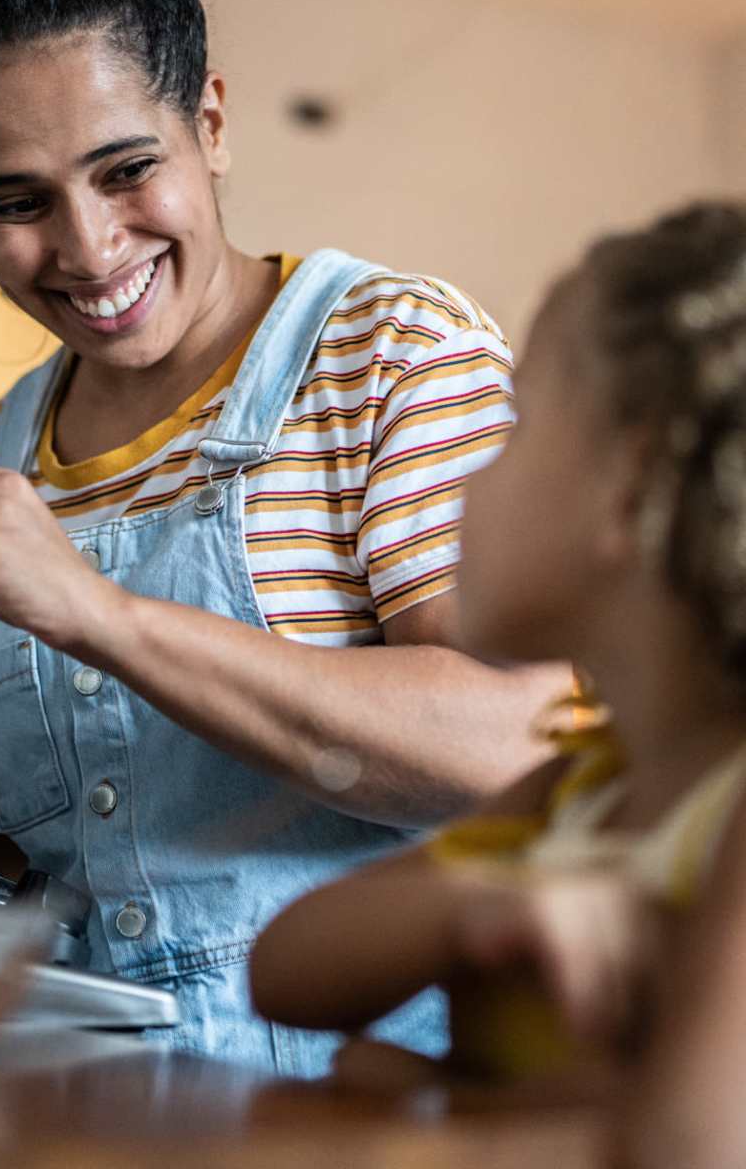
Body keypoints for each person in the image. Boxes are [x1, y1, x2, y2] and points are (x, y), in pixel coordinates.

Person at [0, 0, 563, 1073]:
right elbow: (40, 847)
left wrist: (95, 608)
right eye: (16, 202)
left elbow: (514, 739)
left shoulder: (389, 353)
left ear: (209, 122)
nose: (90, 250)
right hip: (82, 1110)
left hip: (351, 1122)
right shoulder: (4, 442)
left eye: (125, 167)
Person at [251, 201, 746, 1162]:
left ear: (629, 488)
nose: (468, 481)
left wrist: (439, 1108)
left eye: (515, 430)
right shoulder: (587, 784)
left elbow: (688, 1146)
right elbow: (285, 970)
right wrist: (479, 907)